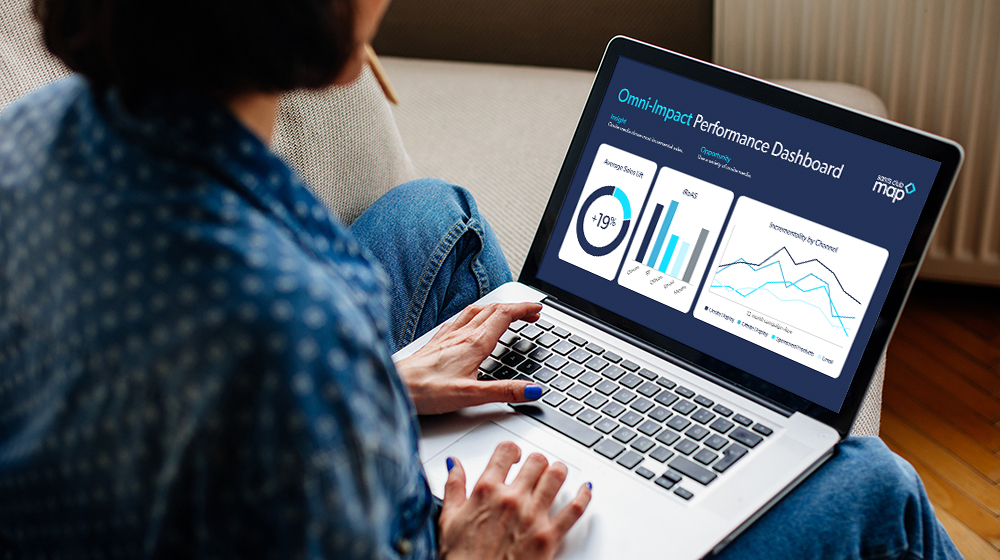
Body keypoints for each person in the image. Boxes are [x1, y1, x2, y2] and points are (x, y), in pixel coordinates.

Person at [0, 0, 963, 558]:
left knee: (431, 215)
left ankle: (583, 419)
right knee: (873, 487)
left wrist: (381, 385)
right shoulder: (291, 324)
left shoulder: (31, 138)